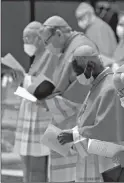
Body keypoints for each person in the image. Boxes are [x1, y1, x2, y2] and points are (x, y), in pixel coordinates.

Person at [56, 45, 124, 182]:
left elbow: (105, 129)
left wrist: (74, 135)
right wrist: (74, 131)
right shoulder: (99, 84)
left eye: (79, 72)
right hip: (98, 157)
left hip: (109, 162)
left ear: (91, 65)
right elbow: (88, 119)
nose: (78, 77)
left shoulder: (110, 88)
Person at [38, 15, 98, 182]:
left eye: (47, 41)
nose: (46, 46)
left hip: (79, 120)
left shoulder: (81, 47)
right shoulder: (70, 46)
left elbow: (84, 89)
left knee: (78, 172)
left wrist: (53, 102)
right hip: (69, 119)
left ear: (58, 34)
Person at [13, 21, 58, 182]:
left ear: (39, 39)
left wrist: (22, 81)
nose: (25, 43)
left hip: (41, 117)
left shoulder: (50, 57)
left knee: (37, 167)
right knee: (28, 163)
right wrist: (21, 82)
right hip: (31, 114)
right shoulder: (37, 57)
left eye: (27, 38)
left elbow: (42, 90)